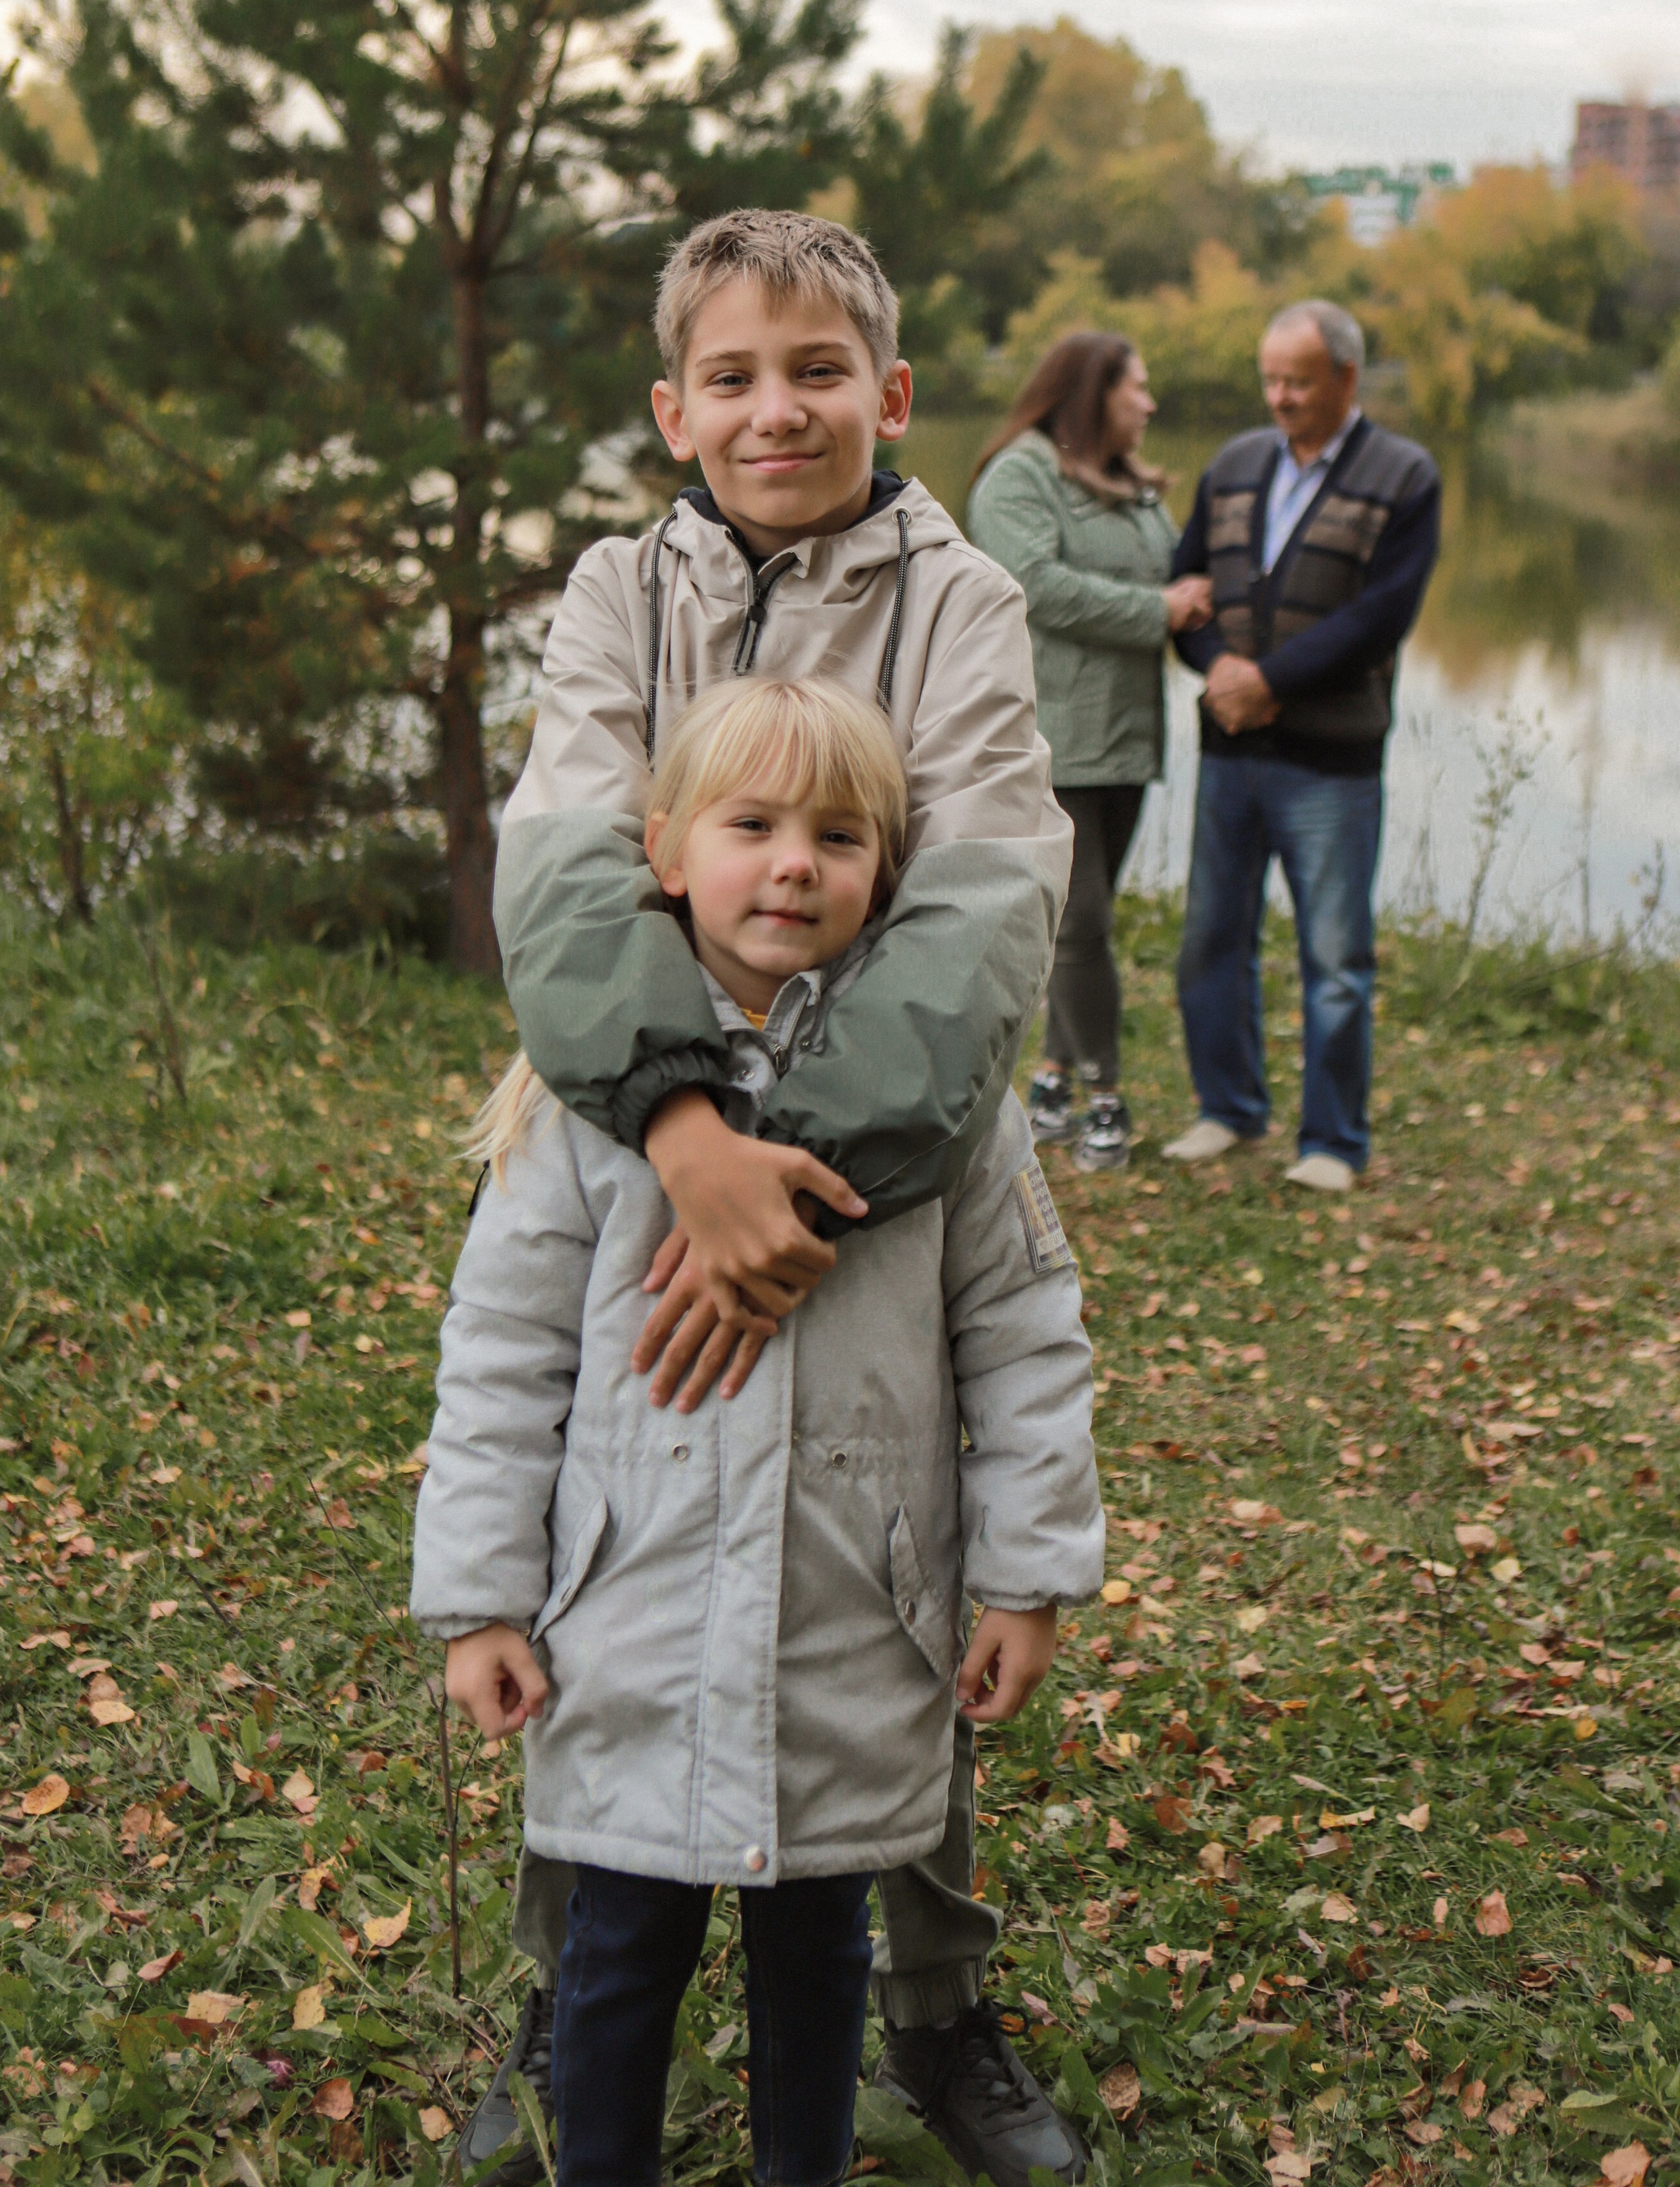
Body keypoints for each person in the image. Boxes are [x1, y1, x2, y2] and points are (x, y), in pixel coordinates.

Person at [474, 211, 1089, 2187]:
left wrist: (797, 1195)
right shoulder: (609, 594)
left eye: (815, 370)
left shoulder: (963, 601)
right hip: (645, 1124)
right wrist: (680, 1139)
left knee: (871, 1567)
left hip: (893, 1161)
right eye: (730, 375)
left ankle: (936, 2002)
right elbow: (572, 873)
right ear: (676, 409)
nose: (774, 409)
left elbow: (988, 905)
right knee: (622, 1542)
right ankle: (563, 1985)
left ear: (887, 394)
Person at [413, 677, 1104, 2187]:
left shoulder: (949, 1106)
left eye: (837, 833)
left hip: (850, 1617)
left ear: (888, 870)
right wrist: (479, 1597)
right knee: (614, 1954)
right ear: (664, 850)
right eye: (751, 824)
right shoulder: (578, 1100)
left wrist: (1025, 1575)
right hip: (628, 1622)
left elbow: (1023, 1333)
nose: (793, 860)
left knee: (816, 1959)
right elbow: (501, 1354)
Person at [1162, 300, 1440, 1192]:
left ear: (1346, 380)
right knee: (1211, 937)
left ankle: (1331, 1143)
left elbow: (1381, 617)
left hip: (1332, 760)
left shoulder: (1404, 475)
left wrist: (1269, 683)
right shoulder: (1235, 463)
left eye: (1298, 381)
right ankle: (1229, 1110)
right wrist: (1217, 670)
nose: (1279, 397)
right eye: (1270, 379)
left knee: (1336, 961)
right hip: (1230, 745)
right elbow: (1185, 587)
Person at [967, 333, 1211, 1173]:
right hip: (1054, 736)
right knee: (1083, 923)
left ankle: (1051, 1084)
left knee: (1085, 926)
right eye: (1137, 388)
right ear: (1091, 392)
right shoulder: (1019, 474)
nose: (1149, 405)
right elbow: (1033, 581)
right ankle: (1106, 1097)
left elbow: (1186, 579)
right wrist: (1159, 610)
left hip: (1127, 736)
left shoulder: (1136, 488)